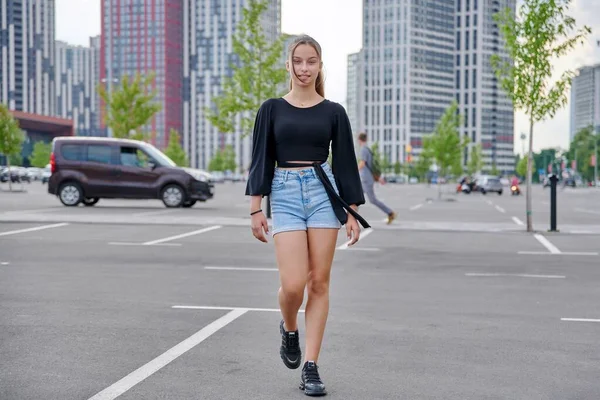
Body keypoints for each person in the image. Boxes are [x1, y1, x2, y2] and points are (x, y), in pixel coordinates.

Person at [245, 34, 370, 397]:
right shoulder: (271, 108)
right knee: (294, 284)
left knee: (319, 282)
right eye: (297, 61)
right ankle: (289, 328)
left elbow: (345, 161)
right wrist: (255, 207)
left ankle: (311, 367)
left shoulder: (334, 112)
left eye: (310, 61)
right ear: (289, 64)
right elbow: (260, 158)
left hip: (321, 191)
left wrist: (352, 210)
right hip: (283, 193)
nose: (304, 68)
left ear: (319, 65)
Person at [356, 132, 397, 224]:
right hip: (366, 179)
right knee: (355, 197)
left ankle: (390, 213)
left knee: (372, 200)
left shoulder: (363, 150)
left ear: (359, 140)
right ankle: (351, 217)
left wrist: (354, 171)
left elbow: (362, 163)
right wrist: (378, 178)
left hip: (366, 180)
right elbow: (372, 166)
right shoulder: (368, 150)